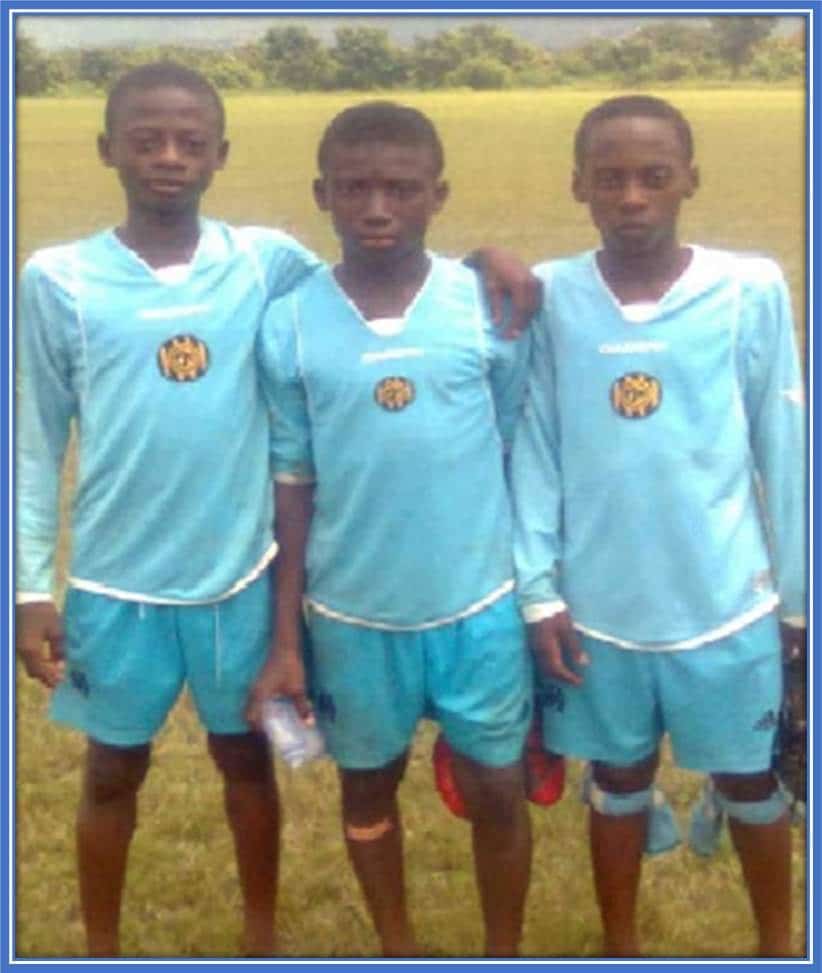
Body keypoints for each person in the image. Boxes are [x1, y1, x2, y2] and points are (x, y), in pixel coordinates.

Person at [15, 64, 539, 958]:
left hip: (240, 579)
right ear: (108, 150)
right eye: (146, 140)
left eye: (190, 141)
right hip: (114, 580)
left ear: (222, 154)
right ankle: (96, 946)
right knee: (110, 768)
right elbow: (32, 437)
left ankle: (261, 935)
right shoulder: (56, 278)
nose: (170, 158)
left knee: (246, 760)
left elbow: (383, 271)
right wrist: (27, 583)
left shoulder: (263, 261)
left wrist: (482, 260)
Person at [510, 94, 806, 958]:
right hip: (599, 609)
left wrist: (798, 602)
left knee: (752, 775)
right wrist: (538, 591)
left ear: (689, 182)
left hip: (727, 602)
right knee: (618, 776)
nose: (632, 196)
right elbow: (535, 449)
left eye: (654, 177)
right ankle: (619, 942)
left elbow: (783, 441)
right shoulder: (553, 295)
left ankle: (779, 943)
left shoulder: (748, 288)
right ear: (579, 187)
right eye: (610, 179)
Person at [249, 101, 534, 958]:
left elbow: (522, 450)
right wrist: (286, 632)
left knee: (496, 786)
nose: (378, 208)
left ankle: (504, 949)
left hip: (476, 607)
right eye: (356, 189)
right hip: (351, 618)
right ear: (323, 195)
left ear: (437, 196)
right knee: (368, 789)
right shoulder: (290, 323)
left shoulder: (488, 306)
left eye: (401, 190)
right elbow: (292, 485)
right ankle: (397, 946)